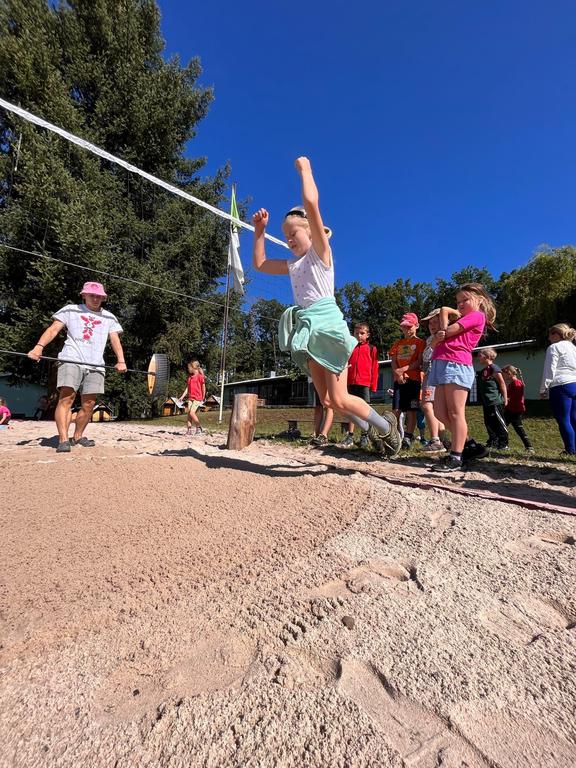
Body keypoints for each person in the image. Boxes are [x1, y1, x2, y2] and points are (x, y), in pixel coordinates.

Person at [252, 156, 401, 457]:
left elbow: (311, 204)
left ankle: (387, 429)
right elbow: (261, 264)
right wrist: (259, 231)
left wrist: (305, 170)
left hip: (328, 326)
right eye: (286, 236)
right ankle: (374, 431)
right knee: (329, 401)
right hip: (308, 330)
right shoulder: (293, 265)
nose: (289, 240)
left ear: (310, 231)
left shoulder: (320, 254)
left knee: (340, 398)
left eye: (293, 233)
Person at [27, 281, 126, 452]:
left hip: (96, 364)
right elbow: (53, 329)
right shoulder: (70, 310)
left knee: (89, 404)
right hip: (71, 359)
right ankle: (63, 440)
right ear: (84, 295)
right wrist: (39, 347)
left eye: (99, 296)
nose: (95, 299)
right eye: (92, 295)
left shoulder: (110, 317)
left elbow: (114, 339)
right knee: (67, 398)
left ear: (103, 298)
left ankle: (78, 436)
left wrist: (121, 360)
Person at [428, 283, 496, 472]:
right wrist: (444, 324)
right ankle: (470, 445)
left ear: (480, 300)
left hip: (456, 363)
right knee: (439, 412)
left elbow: (445, 333)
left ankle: (456, 456)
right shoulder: (465, 317)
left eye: (465, 300)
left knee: (455, 413)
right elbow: (436, 341)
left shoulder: (477, 316)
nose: (460, 304)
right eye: (457, 302)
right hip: (441, 363)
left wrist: (444, 311)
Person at [340, 322, 379, 449]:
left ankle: (364, 435)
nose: (359, 335)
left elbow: (375, 368)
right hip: (350, 382)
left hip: (364, 383)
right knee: (351, 410)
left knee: (364, 410)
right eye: (356, 333)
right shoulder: (349, 347)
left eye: (362, 333)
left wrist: (373, 385)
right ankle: (350, 435)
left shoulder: (372, 348)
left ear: (368, 335)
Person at [389, 313, 426, 449]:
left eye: (410, 326)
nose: (407, 329)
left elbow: (419, 361)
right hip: (399, 382)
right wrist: (397, 374)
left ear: (416, 326)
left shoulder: (420, 343)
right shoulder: (397, 344)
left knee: (412, 409)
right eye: (404, 326)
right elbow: (393, 361)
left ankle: (408, 437)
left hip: (414, 381)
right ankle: (393, 436)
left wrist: (403, 370)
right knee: (396, 409)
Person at [539, 323, 576, 455]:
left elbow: (550, 369)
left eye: (550, 335)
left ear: (556, 335)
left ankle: (570, 450)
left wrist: (543, 388)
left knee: (563, 419)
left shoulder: (554, 347)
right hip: (574, 383)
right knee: (574, 418)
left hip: (560, 385)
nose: (549, 338)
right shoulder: (573, 348)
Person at [419, 308, 451, 454]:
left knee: (427, 405)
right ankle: (443, 440)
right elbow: (426, 358)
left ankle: (435, 440)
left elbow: (426, 357)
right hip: (433, 375)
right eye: (430, 323)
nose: (432, 325)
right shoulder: (431, 339)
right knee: (436, 408)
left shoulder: (446, 336)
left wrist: (434, 342)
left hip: (435, 376)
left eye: (435, 322)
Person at [476, 347, 509, 450]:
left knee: (499, 422)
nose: (478, 357)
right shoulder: (484, 370)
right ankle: (493, 441)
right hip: (486, 402)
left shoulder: (494, 368)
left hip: (495, 401)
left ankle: (503, 443)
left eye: (480, 355)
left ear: (487, 356)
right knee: (489, 423)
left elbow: (502, 384)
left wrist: (505, 398)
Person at [501, 365, 534, 452]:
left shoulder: (516, 383)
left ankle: (529, 447)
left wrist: (506, 399)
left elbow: (516, 398)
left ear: (509, 374)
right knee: (503, 426)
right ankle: (501, 444)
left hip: (515, 410)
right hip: (510, 409)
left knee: (518, 428)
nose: (503, 376)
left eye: (504, 374)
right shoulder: (513, 383)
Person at [180, 360, 206, 436]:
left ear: (193, 367)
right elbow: (187, 388)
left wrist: (203, 397)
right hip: (190, 398)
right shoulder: (190, 378)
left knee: (192, 412)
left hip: (197, 398)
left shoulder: (200, 377)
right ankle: (189, 430)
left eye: (189, 368)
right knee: (189, 414)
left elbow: (203, 387)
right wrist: (182, 396)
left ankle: (199, 427)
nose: (188, 369)